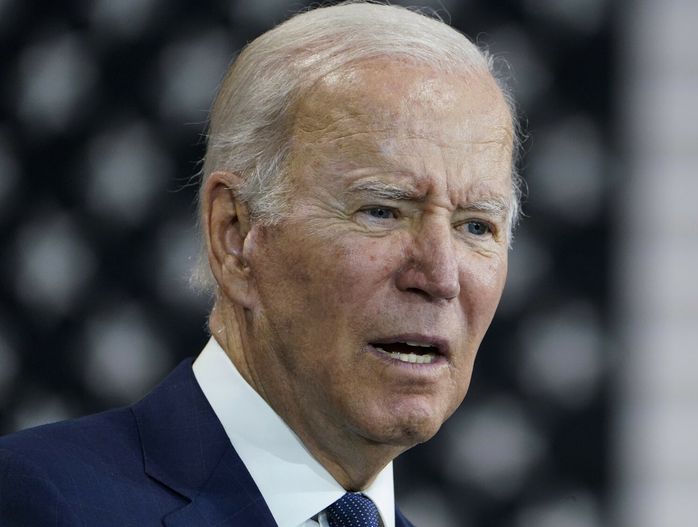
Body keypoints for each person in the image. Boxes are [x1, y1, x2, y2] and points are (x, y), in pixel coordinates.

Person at [0, 2, 519, 526]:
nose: (440, 277)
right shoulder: (39, 501)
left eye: (476, 226)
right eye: (381, 210)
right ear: (236, 235)